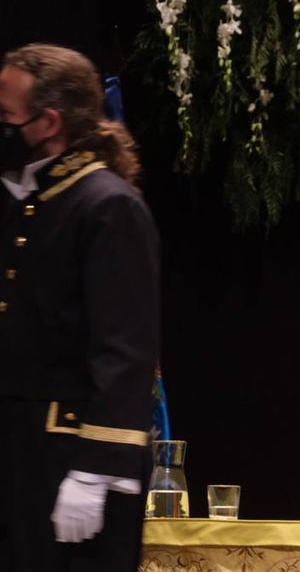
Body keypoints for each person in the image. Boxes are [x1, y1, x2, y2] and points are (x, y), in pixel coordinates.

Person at [0, 44, 161, 571]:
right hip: (25, 455)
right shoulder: (36, 202)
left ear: (48, 122)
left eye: (8, 116)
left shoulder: (106, 206)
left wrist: (96, 468)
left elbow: (126, 349)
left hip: (71, 462)